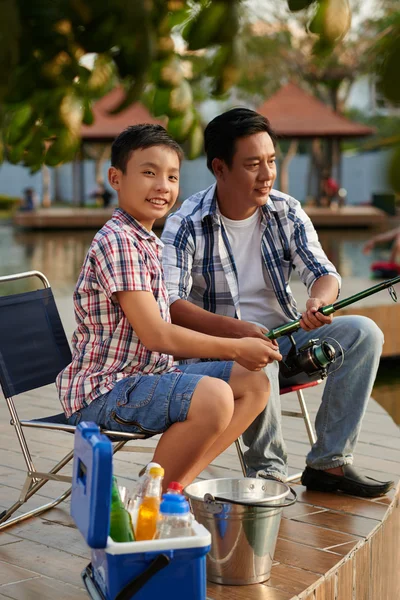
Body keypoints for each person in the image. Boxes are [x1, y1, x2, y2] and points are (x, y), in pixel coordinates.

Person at [161, 108, 394, 498]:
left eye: (271, 161)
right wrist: (239, 333)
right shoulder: (186, 223)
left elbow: (324, 272)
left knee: (364, 332)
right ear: (220, 168)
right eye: (252, 164)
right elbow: (171, 305)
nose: (267, 173)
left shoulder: (285, 209)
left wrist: (319, 301)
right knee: (256, 354)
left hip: (287, 338)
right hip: (220, 355)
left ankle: (329, 464)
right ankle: (267, 474)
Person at [56, 124, 280, 491]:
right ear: (116, 177)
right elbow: (156, 334)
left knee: (253, 382)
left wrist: (239, 336)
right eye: (148, 172)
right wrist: (236, 346)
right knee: (214, 398)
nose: (163, 186)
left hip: (148, 378)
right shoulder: (118, 242)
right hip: (104, 391)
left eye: (172, 176)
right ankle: (153, 496)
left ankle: (174, 488)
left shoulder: (145, 240)